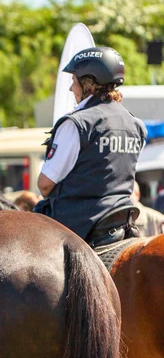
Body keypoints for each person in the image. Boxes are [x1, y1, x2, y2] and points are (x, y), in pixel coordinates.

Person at [35, 46, 147, 241]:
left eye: (73, 81)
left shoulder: (77, 124)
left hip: (78, 226)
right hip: (122, 219)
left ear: (88, 83)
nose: (71, 88)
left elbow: (44, 185)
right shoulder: (136, 124)